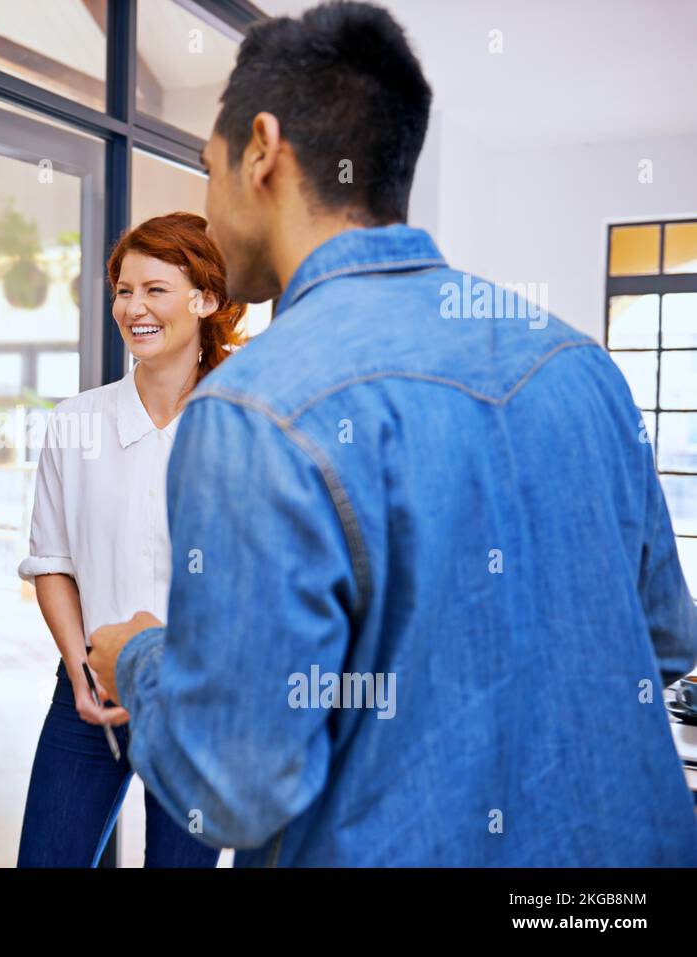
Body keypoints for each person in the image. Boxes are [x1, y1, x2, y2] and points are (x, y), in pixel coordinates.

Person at [88, 1, 697, 866]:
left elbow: (233, 785)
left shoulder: (255, 408)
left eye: (207, 168)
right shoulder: (578, 363)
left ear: (261, 150)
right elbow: (667, 640)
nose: (211, 209)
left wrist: (139, 658)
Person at [16, 213, 243, 867]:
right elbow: (52, 561)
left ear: (205, 298)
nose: (133, 307)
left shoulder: (242, 428)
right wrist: (82, 671)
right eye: (123, 289)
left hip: (200, 702)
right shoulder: (74, 423)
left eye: (155, 289)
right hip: (90, 691)